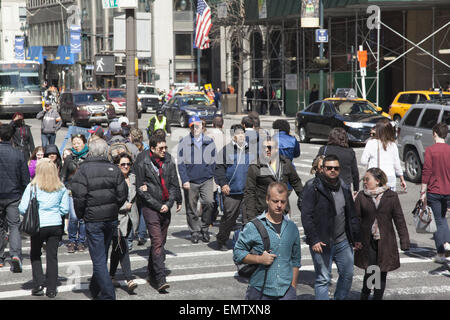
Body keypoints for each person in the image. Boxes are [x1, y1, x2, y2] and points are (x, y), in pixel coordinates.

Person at [71, 138, 128, 300]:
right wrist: (114, 207)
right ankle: (95, 288)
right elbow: (122, 193)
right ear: (105, 152)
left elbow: (79, 197)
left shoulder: (83, 170)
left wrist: (81, 214)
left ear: (90, 151)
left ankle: (108, 295)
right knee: (102, 255)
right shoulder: (114, 169)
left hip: (93, 219)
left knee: (99, 258)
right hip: (110, 218)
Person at [300, 154, 362, 300]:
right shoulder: (313, 187)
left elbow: (351, 214)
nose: (333, 170)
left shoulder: (344, 187)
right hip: (322, 242)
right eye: (329, 168)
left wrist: (356, 237)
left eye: (336, 168)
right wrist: (314, 239)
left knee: (347, 274)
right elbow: (306, 216)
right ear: (322, 169)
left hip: (343, 240)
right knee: (323, 278)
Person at [233, 182, 301, 300]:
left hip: (286, 292)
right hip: (260, 290)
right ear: (267, 200)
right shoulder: (253, 226)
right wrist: (259, 259)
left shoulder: (292, 228)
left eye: (283, 201)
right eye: (275, 201)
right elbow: (237, 253)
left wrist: (293, 287)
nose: (279, 205)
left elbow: (296, 260)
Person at [135, 134, 182, 293]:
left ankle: (151, 272)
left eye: (165, 147)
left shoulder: (169, 160)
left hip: (165, 207)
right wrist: (157, 205)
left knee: (160, 243)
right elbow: (140, 190)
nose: (164, 150)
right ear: (152, 148)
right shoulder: (143, 162)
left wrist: (171, 203)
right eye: (160, 148)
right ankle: (160, 279)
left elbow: (174, 184)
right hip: (150, 207)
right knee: (156, 241)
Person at [354, 168, 410, 300]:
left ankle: (377, 297)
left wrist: (404, 240)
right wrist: (355, 239)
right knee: (371, 270)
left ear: (377, 181)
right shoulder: (362, 196)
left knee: (382, 271)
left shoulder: (391, 196)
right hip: (368, 241)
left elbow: (399, 219)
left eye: (367, 179)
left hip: (385, 240)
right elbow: (356, 220)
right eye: (364, 179)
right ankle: (365, 294)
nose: (365, 182)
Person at [18, 158, 70, 298]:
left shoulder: (32, 186)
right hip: (55, 224)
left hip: (38, 225)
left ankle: (38, 284)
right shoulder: (61, 187)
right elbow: (65, 208)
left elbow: (22, 208)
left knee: (35, 254)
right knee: (52, 256)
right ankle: (52, 289)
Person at [243, 136, 303, 224]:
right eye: (264, 148)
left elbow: (296, 182)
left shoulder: (285, 163)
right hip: (263, 212)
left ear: (276, 149)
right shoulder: (256, 167)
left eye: (270, 147)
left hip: (283, 211)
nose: (267, 150)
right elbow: (249, 192)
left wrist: (305, 200)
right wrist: (251, 217)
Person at [177, 115, 216, 244]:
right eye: (193, 127)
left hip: (206, 179)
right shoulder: (184, 142)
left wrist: (211, 174)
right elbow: (181, 164)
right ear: (190, 128)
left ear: (202, 126)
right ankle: (194, 231)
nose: (196, 129)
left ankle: (204, 228)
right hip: (191, 180)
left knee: (209, 202)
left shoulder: (209, 141)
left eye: (197, 126)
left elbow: (214, 160)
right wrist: (184, 180)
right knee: (191, 208)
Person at [215, 124, 254, 251]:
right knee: (229, 217)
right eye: (238, 133)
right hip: (232, 191)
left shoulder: (250, 149)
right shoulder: (226, 150)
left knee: (249, 218)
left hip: (248, 190)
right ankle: (221, 239)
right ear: (233, 136)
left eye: (243, 133)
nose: (241, 135)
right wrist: (223, 183)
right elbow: (219, 169)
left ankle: (247, 243)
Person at [0, 124, 30, 272]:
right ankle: (15, 255)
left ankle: (0, 256)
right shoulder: (18, 153)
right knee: (14, 226)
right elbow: (25, 178)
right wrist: (25, 192)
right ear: (11, 137)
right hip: (13, 195)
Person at [419, 122, 450, 264]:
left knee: (438, 221)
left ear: (435, 134)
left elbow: (427, 171)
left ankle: (441, 253)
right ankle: (447, 244)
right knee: (443, 218)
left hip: (434, 190)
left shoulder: (430, 150)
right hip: (448, 191)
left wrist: (422, 191)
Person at [110, 153, 139, 293]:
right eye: (123, 164)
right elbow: (110, 200)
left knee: (117, 248)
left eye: (128, 164)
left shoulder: (133, 178)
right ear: (117, 166)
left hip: (130, 219)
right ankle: (129, 279)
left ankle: (110, 276)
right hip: (117, 219)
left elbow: (137, 194)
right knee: (123, 246)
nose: (126, 166)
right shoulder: (113, 180)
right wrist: (124, 206)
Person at [60, 134, 89, 254]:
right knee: (73, 217)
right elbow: (63, 175)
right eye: (74, 143)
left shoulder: (89, 157)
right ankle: (72, 240)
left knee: (82, 219)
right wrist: (63, 187)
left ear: (84, 143)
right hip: (71, 191)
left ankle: (81, 241)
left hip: (85, 191)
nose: (76, 145)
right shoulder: (69, 158)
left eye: (78, 142)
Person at [361, 119, 406, 191]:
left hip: (375, 178)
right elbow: (397, 164)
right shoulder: (393, 145)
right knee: (389, 200)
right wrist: (402, 179)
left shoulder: (371, 143)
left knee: (374, 201)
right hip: (390, 178)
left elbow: (363, 161)